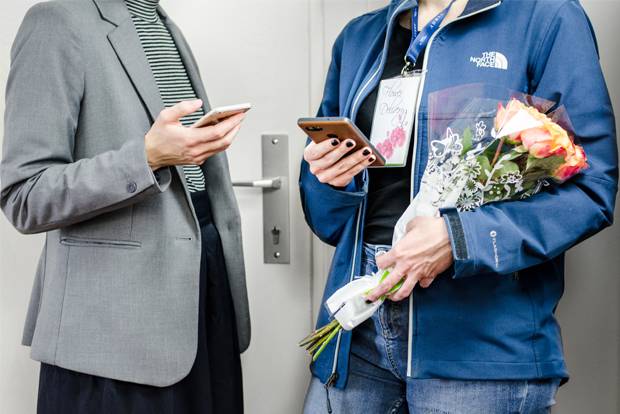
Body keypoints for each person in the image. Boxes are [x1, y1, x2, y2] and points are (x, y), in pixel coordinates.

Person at [299, 0, 617, 412]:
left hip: (479, 347)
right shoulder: (360, 36)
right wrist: (328, 180)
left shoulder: (546, 17)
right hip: (358, 329)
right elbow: (328, 220)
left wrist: (458, 238)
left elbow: (592, 189)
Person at [1, 0, 249, 412]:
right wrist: (147, 158)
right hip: (113, 341)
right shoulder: (55, 21)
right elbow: (25, 195)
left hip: (205, 302)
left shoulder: (162, 22)